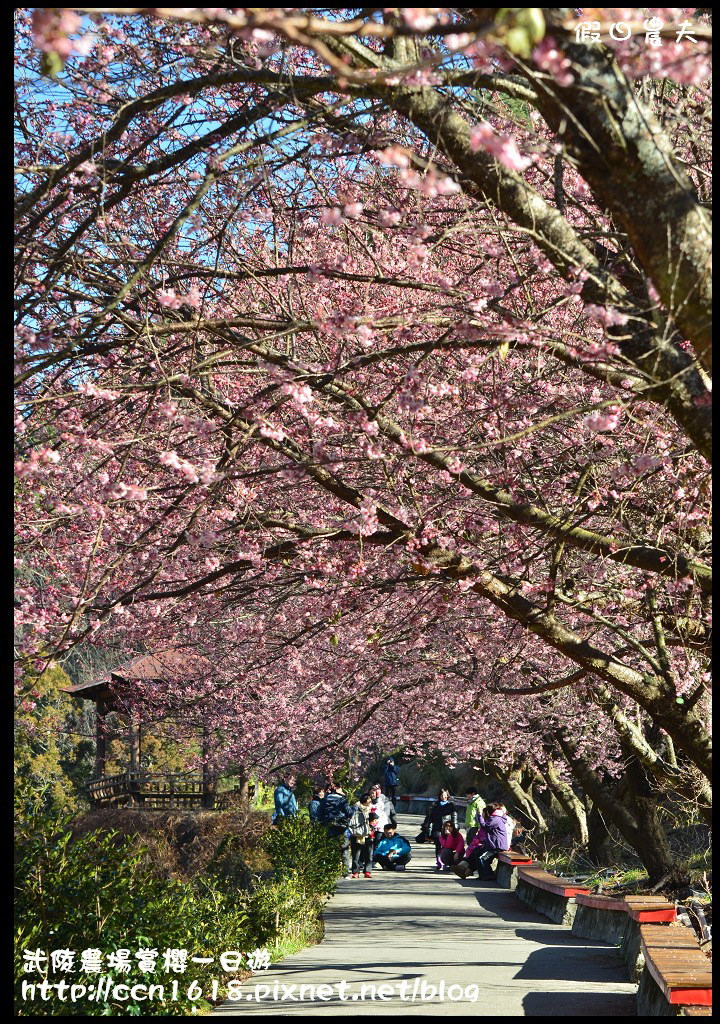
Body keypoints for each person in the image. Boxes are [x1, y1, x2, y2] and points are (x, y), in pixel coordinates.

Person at [318, 781, 354, 876]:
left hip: (329, 826)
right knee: (344, 849)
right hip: (341, 827)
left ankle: (330, 871)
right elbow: (350, 812)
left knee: (329, 849)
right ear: (337, 788)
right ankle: (345, 873)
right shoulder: (342, 800)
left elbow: (320, 815)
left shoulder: (324, 800)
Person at [472, 802, 509, 881]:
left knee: (482, 858)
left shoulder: (495, 819)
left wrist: (480, 816)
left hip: (496, 846)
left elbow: (485, 827)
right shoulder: (499, 817)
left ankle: (489, 875)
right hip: (493, 844)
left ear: (489, 811)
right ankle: (482, 875)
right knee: (477, 852)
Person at [422, 788, 458, 861]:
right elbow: (430, 819)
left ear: (447, 796)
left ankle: (446, 861)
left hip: (447, 829)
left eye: (445, 795)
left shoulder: (451, 806)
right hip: (437, 829)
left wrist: (455, 829)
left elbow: (454, 819)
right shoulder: (435, 806)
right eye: (441, 795)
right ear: (439, 796)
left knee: (447, 846)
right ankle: (438, 861)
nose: (443, 797)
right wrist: (429, 830)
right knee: (438, 846)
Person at [349, 792, 375, 878]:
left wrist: (373, 824)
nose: (370, 800)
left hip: (368, 833)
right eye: (368, 799)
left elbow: (376, 820)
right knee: (356, 854)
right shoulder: (356, 808)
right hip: (357, 833)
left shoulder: (372, 808)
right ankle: (355, 872)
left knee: (368, 854)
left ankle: (367, 871)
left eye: (370, 799)